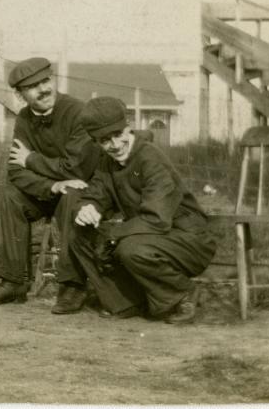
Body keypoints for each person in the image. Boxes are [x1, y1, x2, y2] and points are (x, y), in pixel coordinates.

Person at [65, 96, 216, 323]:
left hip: (187, 239)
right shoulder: (107, 163)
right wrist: (88, 208)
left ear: (128, 128)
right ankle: (126, 302)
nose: (114, 145)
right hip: (148, 236)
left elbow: (157, 219)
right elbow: (95, 192)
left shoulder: (150, 158)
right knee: (81, 235)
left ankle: (182, 294)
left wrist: (112, 234)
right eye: (104, 141)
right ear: (96, 142)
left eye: (118, 135)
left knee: (129, 248)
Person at [0, 57, 100, 307]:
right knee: (11, 196)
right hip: (50, 191)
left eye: (46, 81)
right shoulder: (23, 118)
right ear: (20, 94)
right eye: (33, 86)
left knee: (72, 193)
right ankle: (13, 281)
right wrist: (51, 186)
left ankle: (72, 285)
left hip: (82, 192)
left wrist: (31, 159)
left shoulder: (77, 111)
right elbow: (15, 170)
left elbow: (76, 167)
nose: (44, 89)